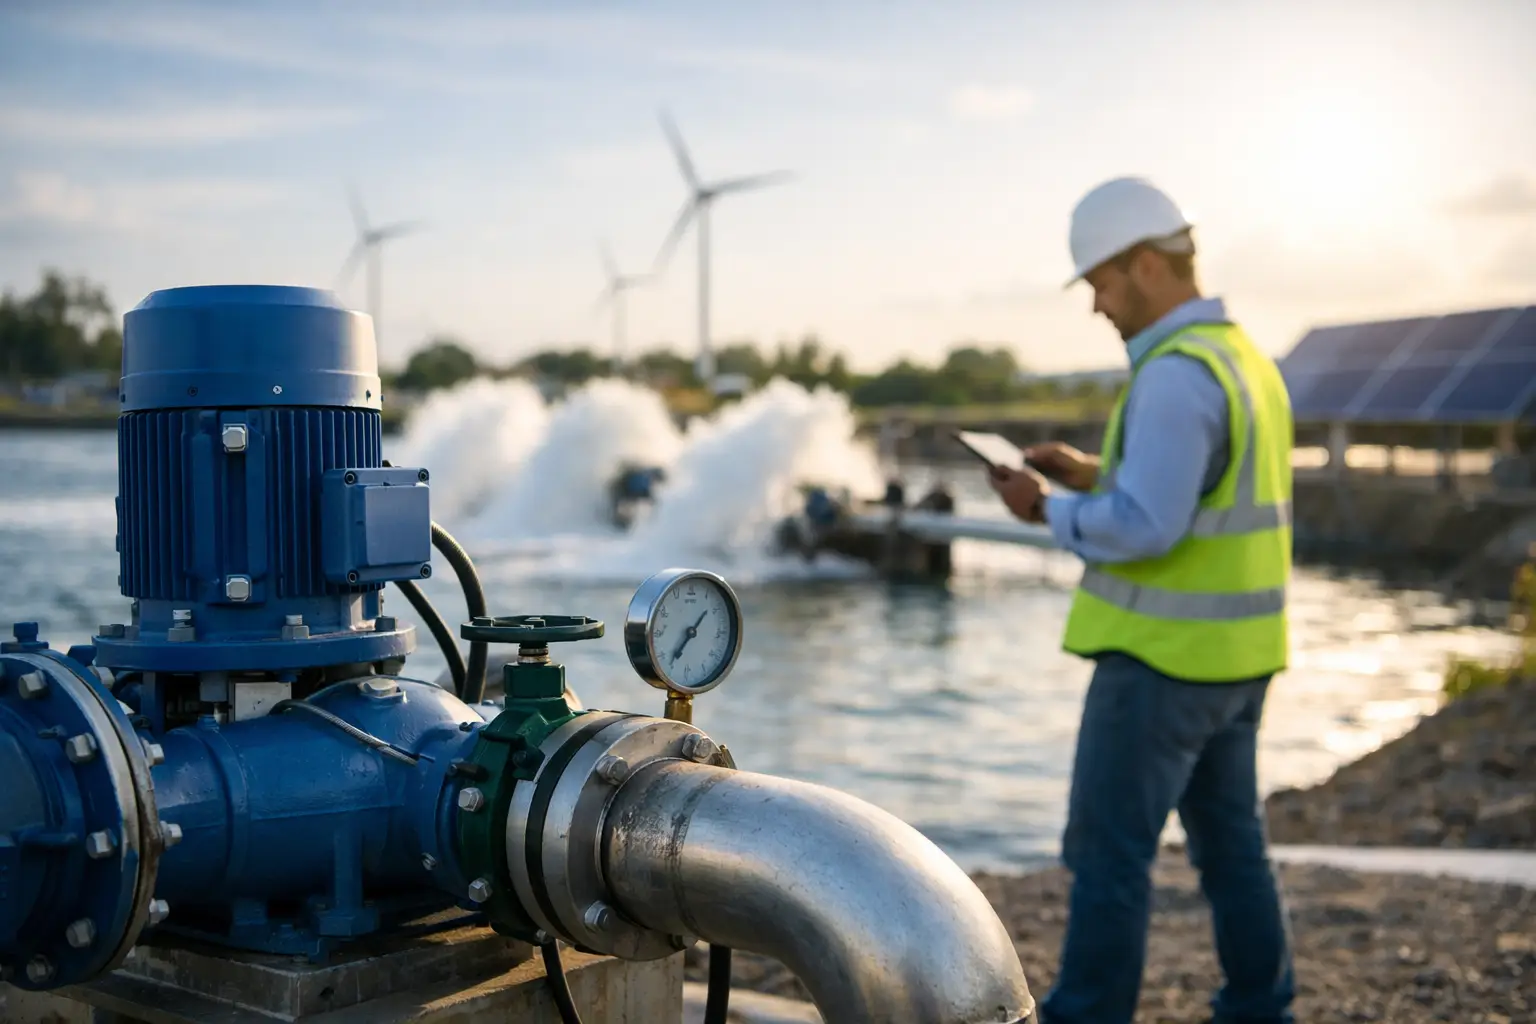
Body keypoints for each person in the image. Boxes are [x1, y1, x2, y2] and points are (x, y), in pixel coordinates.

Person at [988, 177, 1297, 1024]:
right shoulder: (1244, 361)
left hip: (1161, 664)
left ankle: (1089, 1015)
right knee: (1233, 849)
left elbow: (1148, 526)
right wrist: (1092, 474)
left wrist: (1043, 508)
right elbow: (1201, 489)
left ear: (1147, 266)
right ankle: (1261, 1008)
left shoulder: (1173, 375)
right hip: (1239, 661)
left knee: (1109, 857)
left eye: (1100, 283)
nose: (1096, 305)